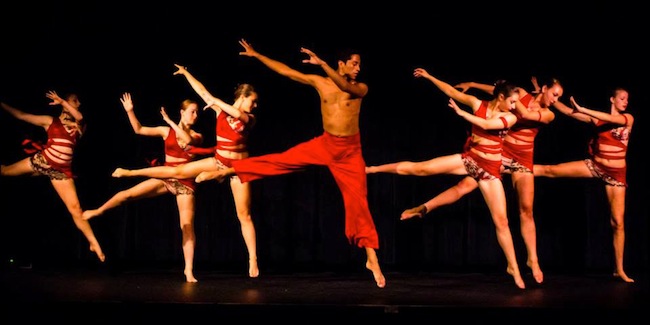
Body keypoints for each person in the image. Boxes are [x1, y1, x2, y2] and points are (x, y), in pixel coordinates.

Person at [195, 39, 386, 288]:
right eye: (354, 63)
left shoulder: (361, 87)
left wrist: (323, 64)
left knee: (358, 201)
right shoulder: (321, 82)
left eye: (359, 64)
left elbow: (346, 88)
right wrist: (257, 55)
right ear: (342, 64)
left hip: (350, 152)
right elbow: (286, 71)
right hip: (327, 144)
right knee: (281, 161)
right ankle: (229, 170)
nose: (358, 68)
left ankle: (371, 258)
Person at [366, 68, 525, 289]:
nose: (516, 106)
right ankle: (373, 169)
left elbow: (488, 125)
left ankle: (513, 267)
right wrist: (430, 77)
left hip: (489, 171)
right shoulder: (478, 104)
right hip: (470, 159)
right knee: (421, 169)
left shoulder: (509, 116)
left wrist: (462, 115)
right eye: (513, 101)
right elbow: (451, 90)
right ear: (501, 97)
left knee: (502, 221)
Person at [402, 77, 563, 284]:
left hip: (522, 158)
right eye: (555, 94)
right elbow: (499, 93)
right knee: (464, 186)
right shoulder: (519, 94)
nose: (556, 100)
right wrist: (476, 86)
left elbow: (523, 112)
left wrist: (529, 96)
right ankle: (425, 207)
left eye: (559, 97)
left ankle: (533, 260)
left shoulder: (548, 113)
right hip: (501, 152)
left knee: (526, 209)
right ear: (545, 88)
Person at [111, 64, 260, 278]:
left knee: (244, 215)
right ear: (243, 96)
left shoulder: (249, 118)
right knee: (178, 171)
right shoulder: (220, 111)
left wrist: (216, 101)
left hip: (238, 169)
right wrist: (187, 73)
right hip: (219, 162)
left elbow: (236, 113)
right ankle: (130, 173)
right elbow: (202, 91)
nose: (254, 105)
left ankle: (252, 258)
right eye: (252, 100)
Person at [83, 93, 209, 282]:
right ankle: (99, 211)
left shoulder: (197, 136)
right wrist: (130, 111)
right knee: (127, 194)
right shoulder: (166, 131)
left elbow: (187, 140)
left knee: (187, 226)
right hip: (166, 176)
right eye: (192, 112)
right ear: (182, 112)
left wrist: (170, 121)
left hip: (185, 183)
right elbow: (139, 129)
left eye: (197, 113)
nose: (195, 116)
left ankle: (188, 270)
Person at [534, 89, 634, 283]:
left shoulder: (628, 118)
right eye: (622, 98)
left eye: (627, 100)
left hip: (616, 175)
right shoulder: (596, 120)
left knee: (617, 222)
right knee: (552, 170)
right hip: (596, 166)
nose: (625, 102)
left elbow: (608, 117)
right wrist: (547, 97)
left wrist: (584, 109)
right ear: (612, 99)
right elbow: (565, 111)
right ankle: (513, 168)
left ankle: (619, 269)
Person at [1, 91, 106, 263]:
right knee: (5, 172)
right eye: (75, 100)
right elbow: (21, 115)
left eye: (78, 101)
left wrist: (63, 102)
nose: (78, 103)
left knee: (76, 209)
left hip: (61, 172)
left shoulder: (80, 125)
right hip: (43, 160)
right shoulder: (50, 121)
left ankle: (93, 243)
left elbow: (78, 116)